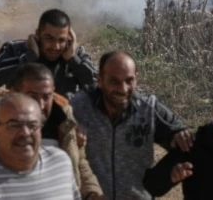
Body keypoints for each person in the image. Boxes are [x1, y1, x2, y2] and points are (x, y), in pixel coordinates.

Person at [0, 63, 104, 199]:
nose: (41, 104)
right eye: (32, 95)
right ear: (14, 92)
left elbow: (80, 161)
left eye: (46, 96)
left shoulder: (64, 120)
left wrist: (91, 192)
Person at [70, 51, 193, 200]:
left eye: (129, 81)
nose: (123, 89)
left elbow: (179, 134)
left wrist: (179, 135)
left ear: (137, 79)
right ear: (100, 80)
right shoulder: (78, 107)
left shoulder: (149, 108)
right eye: (114, 81)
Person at [0, 9, 96, 96]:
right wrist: (29, 57)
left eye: (61, 40)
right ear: (38, 34)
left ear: (69, 38)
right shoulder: (16, 48)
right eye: (49, 38)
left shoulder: (75, 53)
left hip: (62, 122)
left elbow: (98, 88)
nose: (55, 47)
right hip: (23, 119)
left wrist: (73, 60)